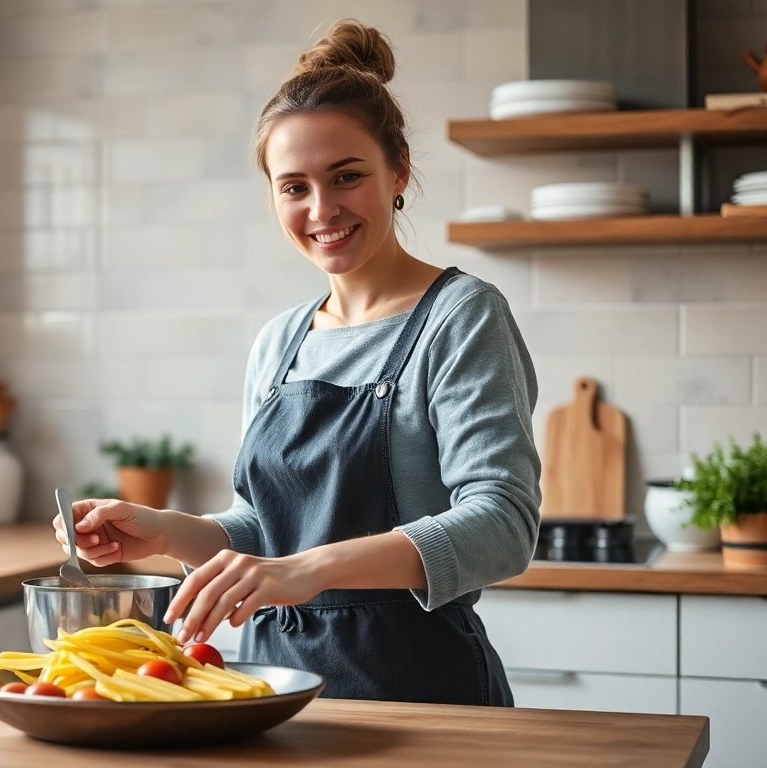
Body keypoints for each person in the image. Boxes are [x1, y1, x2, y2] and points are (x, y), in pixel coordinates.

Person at [53, 19, 540, 705]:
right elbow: (264, 526)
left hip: (421, 691)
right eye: (294, 187)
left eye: (347, 177)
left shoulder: (460, 316)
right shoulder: (281, 342)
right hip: (273, 691)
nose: (322, 209)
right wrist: (164, 531)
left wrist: (309, 570)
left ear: (398, 168)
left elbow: (502, 523)